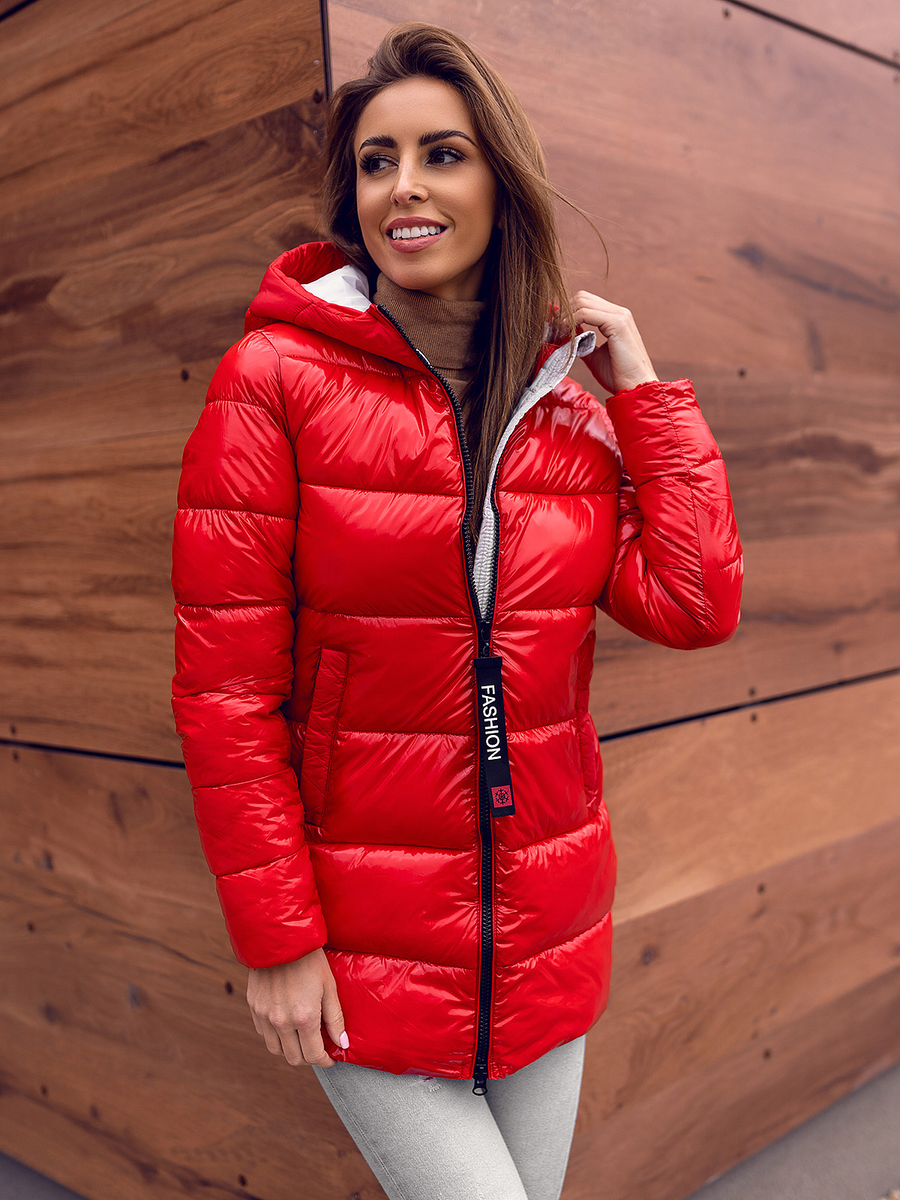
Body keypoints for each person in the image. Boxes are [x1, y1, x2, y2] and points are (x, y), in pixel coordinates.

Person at [171, 21, 743, 1200]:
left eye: (443, 153)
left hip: (545, 930)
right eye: (377, 162)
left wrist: (640, 386)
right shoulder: (274, 382)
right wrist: (278, 937)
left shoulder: (566, 409)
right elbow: (226, 691)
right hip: (362, 943)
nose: (406, 187)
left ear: (502, 182)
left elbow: (694, 604)